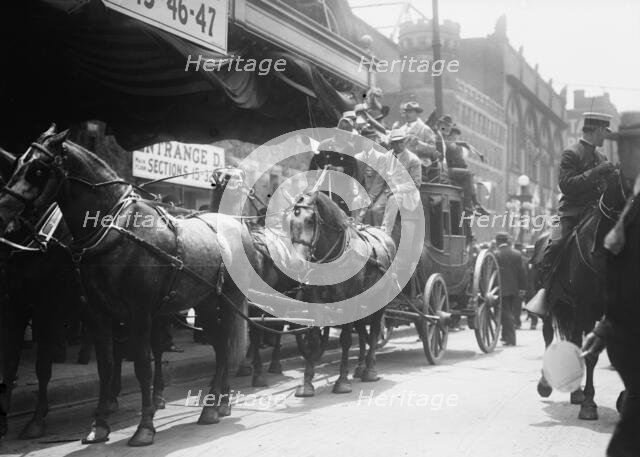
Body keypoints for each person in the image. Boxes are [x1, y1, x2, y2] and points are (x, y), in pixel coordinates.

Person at [530, 113, 616, 313]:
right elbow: (567, 185)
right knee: (556, 244)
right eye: (605, 132)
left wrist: (613, 179)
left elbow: (604, 188)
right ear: (597, 130)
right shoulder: (571, 153)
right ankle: (546, 289)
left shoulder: (601, 157)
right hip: (571, 212)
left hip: (597, 212)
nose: (606, 137)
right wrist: (596, 172)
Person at [309, 117, 359, 215]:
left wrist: (337, 169)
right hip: (323, 182)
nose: (348, 137)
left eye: (349, 135)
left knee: (342, 211)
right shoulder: (324, 145)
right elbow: (314, 164)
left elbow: (352, 169)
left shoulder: (350, 149)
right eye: (345, 135)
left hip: (342, 185)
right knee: (317, 208)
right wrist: (311, 182)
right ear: (338, 133)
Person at [445, 125, 490, 216]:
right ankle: (470, 205)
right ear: (450, 135)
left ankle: (475, 204)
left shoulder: (455, 144)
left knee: (469, 177)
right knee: (468, 173)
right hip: (447, 170)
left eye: (457, 135)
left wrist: (480, 154)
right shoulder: (448, 143)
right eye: (455, 135)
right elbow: (455, 160)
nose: (457, 137)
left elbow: (466, 144)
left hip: (453, 170)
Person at [494, 233, 526, 346]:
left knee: (505, 313)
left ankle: (511, 339)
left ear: (498, 241)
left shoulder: (495, 254)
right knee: (509, 311)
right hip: (514, 288)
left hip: (501, 288)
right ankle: (506, 337)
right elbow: (522, 272)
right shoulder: (517, 254)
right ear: (507, 241)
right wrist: (522, 287)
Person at [396, 101, 440, 181]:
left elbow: (433, 150)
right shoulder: (401, 129)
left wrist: (418, 144)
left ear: (417, 113)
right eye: (406, 112)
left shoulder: (425, 129)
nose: (407, 114)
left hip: (421, 163)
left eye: (410, 112)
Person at [355, 133, 388, 226]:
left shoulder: (381, 157)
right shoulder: (358, 157)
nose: (365, 143)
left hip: (380, 192)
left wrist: (370, 197)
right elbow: (356, 178)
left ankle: (378, 234)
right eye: (363, 140)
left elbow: (379, 181)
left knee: (375, 210)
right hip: (364, 191)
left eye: (368, 140)